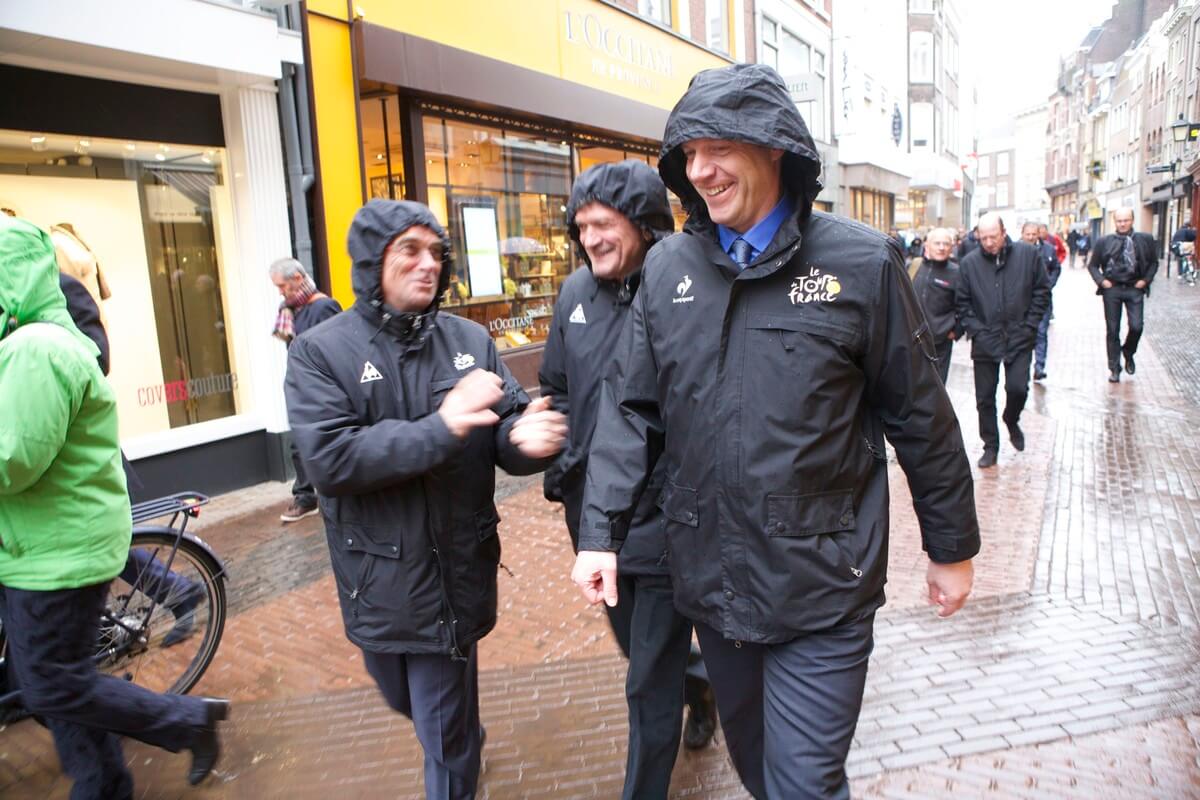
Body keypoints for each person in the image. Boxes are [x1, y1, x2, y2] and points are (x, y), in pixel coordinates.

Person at [569, 64, 980, 800]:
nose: (700, 170)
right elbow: (633, 411)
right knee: (763, 775)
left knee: (802, 786)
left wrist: (952, 549)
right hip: (716, 588)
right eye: (688, 154)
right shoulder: (668, 270)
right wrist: (600, 530)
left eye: (718, 146)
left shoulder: (861, 263)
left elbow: (921, 416)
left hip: (825, 588)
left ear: (775, 149)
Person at [284, 199, 566, 800]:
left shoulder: (468, 338)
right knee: (402, 695)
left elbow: (506, 426)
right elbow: (330, 460)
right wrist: (442, 426)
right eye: (409, 250)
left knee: (442, 738)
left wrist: (525, 439)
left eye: (436, 252)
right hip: (378, 577)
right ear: (373, 261)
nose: (428, 264)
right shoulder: (321, 350)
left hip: (454, 572)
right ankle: (462, 736)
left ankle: (459, 756)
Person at [0, 216, 228, 799]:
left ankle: (185, 721)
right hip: (47, 543)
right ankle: (104, 783)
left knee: (53, 686)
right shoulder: (31, 340)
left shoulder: (35, 346)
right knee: (54, 684)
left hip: (54, 551)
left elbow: (14, 459)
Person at [539, 161, 716, 800]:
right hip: (596, 523)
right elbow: (557, 390)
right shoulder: (573, 296)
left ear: (641, 223)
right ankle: (701, 687)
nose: (591, 238)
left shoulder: (686, 284)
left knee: (645, 681)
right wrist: (555, 458)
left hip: (668, 519)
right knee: (642, 656)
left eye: (603, 223)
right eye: (581, 226)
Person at [957, 213, 1050, 468]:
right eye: (983, 237)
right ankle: (990, 445)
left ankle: (1011, 419)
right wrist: (976, 330)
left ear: (1004, 232)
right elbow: (962, 303)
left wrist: (1030, 325)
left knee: (1018, 388)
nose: (988, 242)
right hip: (985, 340)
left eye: (993, 237)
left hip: (1019, 337)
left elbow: (1042, 291)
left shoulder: (1028, 255)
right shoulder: (969, 264)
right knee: (984, 398)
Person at [271, 257, 342, 523]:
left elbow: (335, 349)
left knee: (310, 440)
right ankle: (306, 495)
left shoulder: (323, 307)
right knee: (297, 443)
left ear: (298, 279)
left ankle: (316, 494)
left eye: (282, 285)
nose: (280, 291)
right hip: (300, 383)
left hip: (320, 387)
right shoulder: (290, 310)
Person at [1087, 208, 1157, 383]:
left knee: (1137, 326)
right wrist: (1102, 281)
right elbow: (1093, 265)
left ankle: (1128, 351)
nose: (1123, 223)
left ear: (1133, 220)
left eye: (1126, 220)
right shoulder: (1104, 242)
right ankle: (1114, 367)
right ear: (1114, 222)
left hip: (1135, 287)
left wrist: (1145, 281)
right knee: (1112, 330)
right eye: (1119, 221)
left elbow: (1154, 263)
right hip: (1113, 289)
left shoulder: (1145, 239)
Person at [910, 227, 962, 383]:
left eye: (946, 244)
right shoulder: (914, 266)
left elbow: (964, 304)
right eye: (937, 243)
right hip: (911, 339)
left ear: (951, 247)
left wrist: (955, 331)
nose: (941, 247)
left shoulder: (956, 272)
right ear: (927, 245)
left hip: (939, 342)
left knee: (936, 387)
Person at [1032, 223, 1063, 381]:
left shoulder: (1049, 249)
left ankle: (1039, 365)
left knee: (1041, 332)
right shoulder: (1014, 251)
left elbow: (1056, 268)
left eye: (1034, 233)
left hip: (1043, 298)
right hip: (1021, 300)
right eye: (1027, 234)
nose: (1031, 237)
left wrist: (1049, 284)